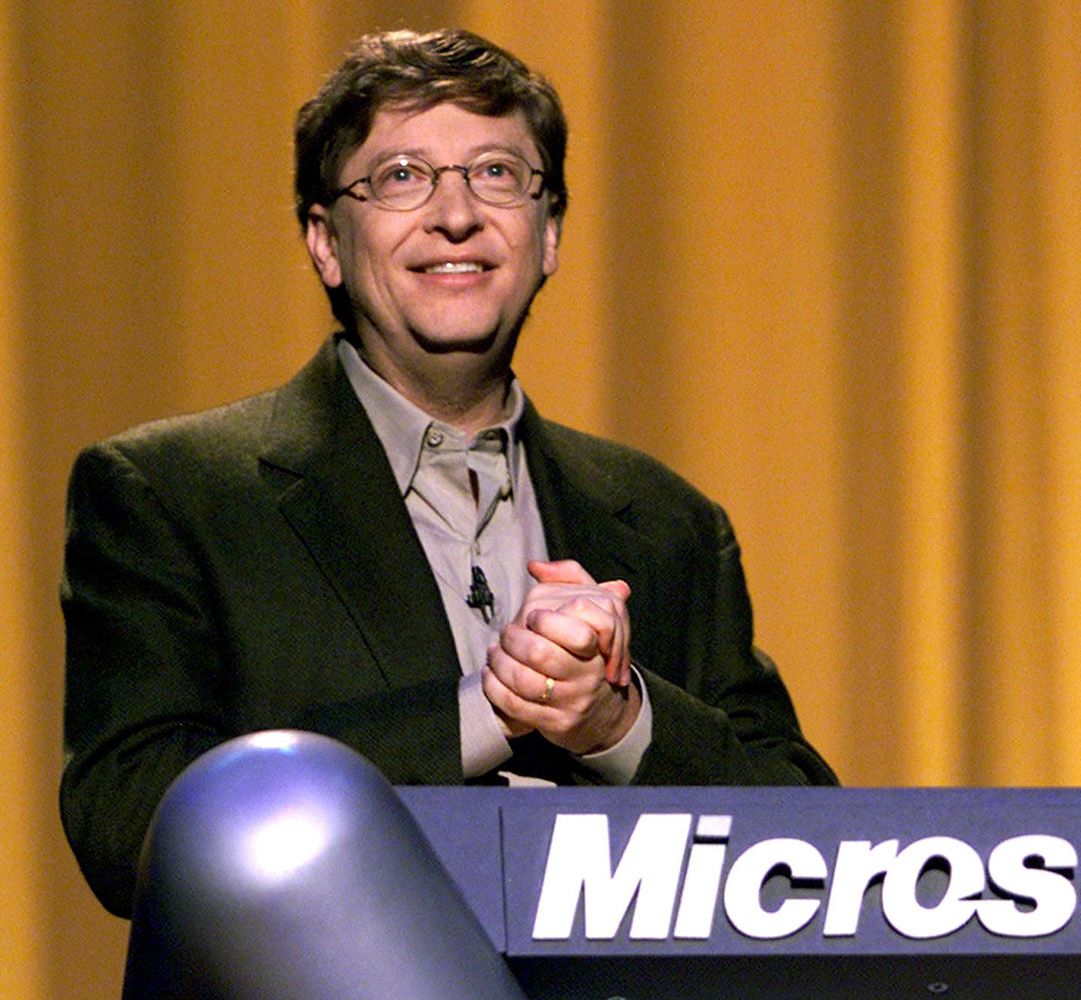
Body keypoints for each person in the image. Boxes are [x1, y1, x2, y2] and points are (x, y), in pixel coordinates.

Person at [60, 27, 836, 919]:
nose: (456, 214)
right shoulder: (174, 496)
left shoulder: (667, 521)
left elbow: (810, 853)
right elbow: (129, 825)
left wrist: (618, 723)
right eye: (401, 177)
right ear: (324, 241)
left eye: (498, 174)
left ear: (548, 236)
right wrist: (487, 712)